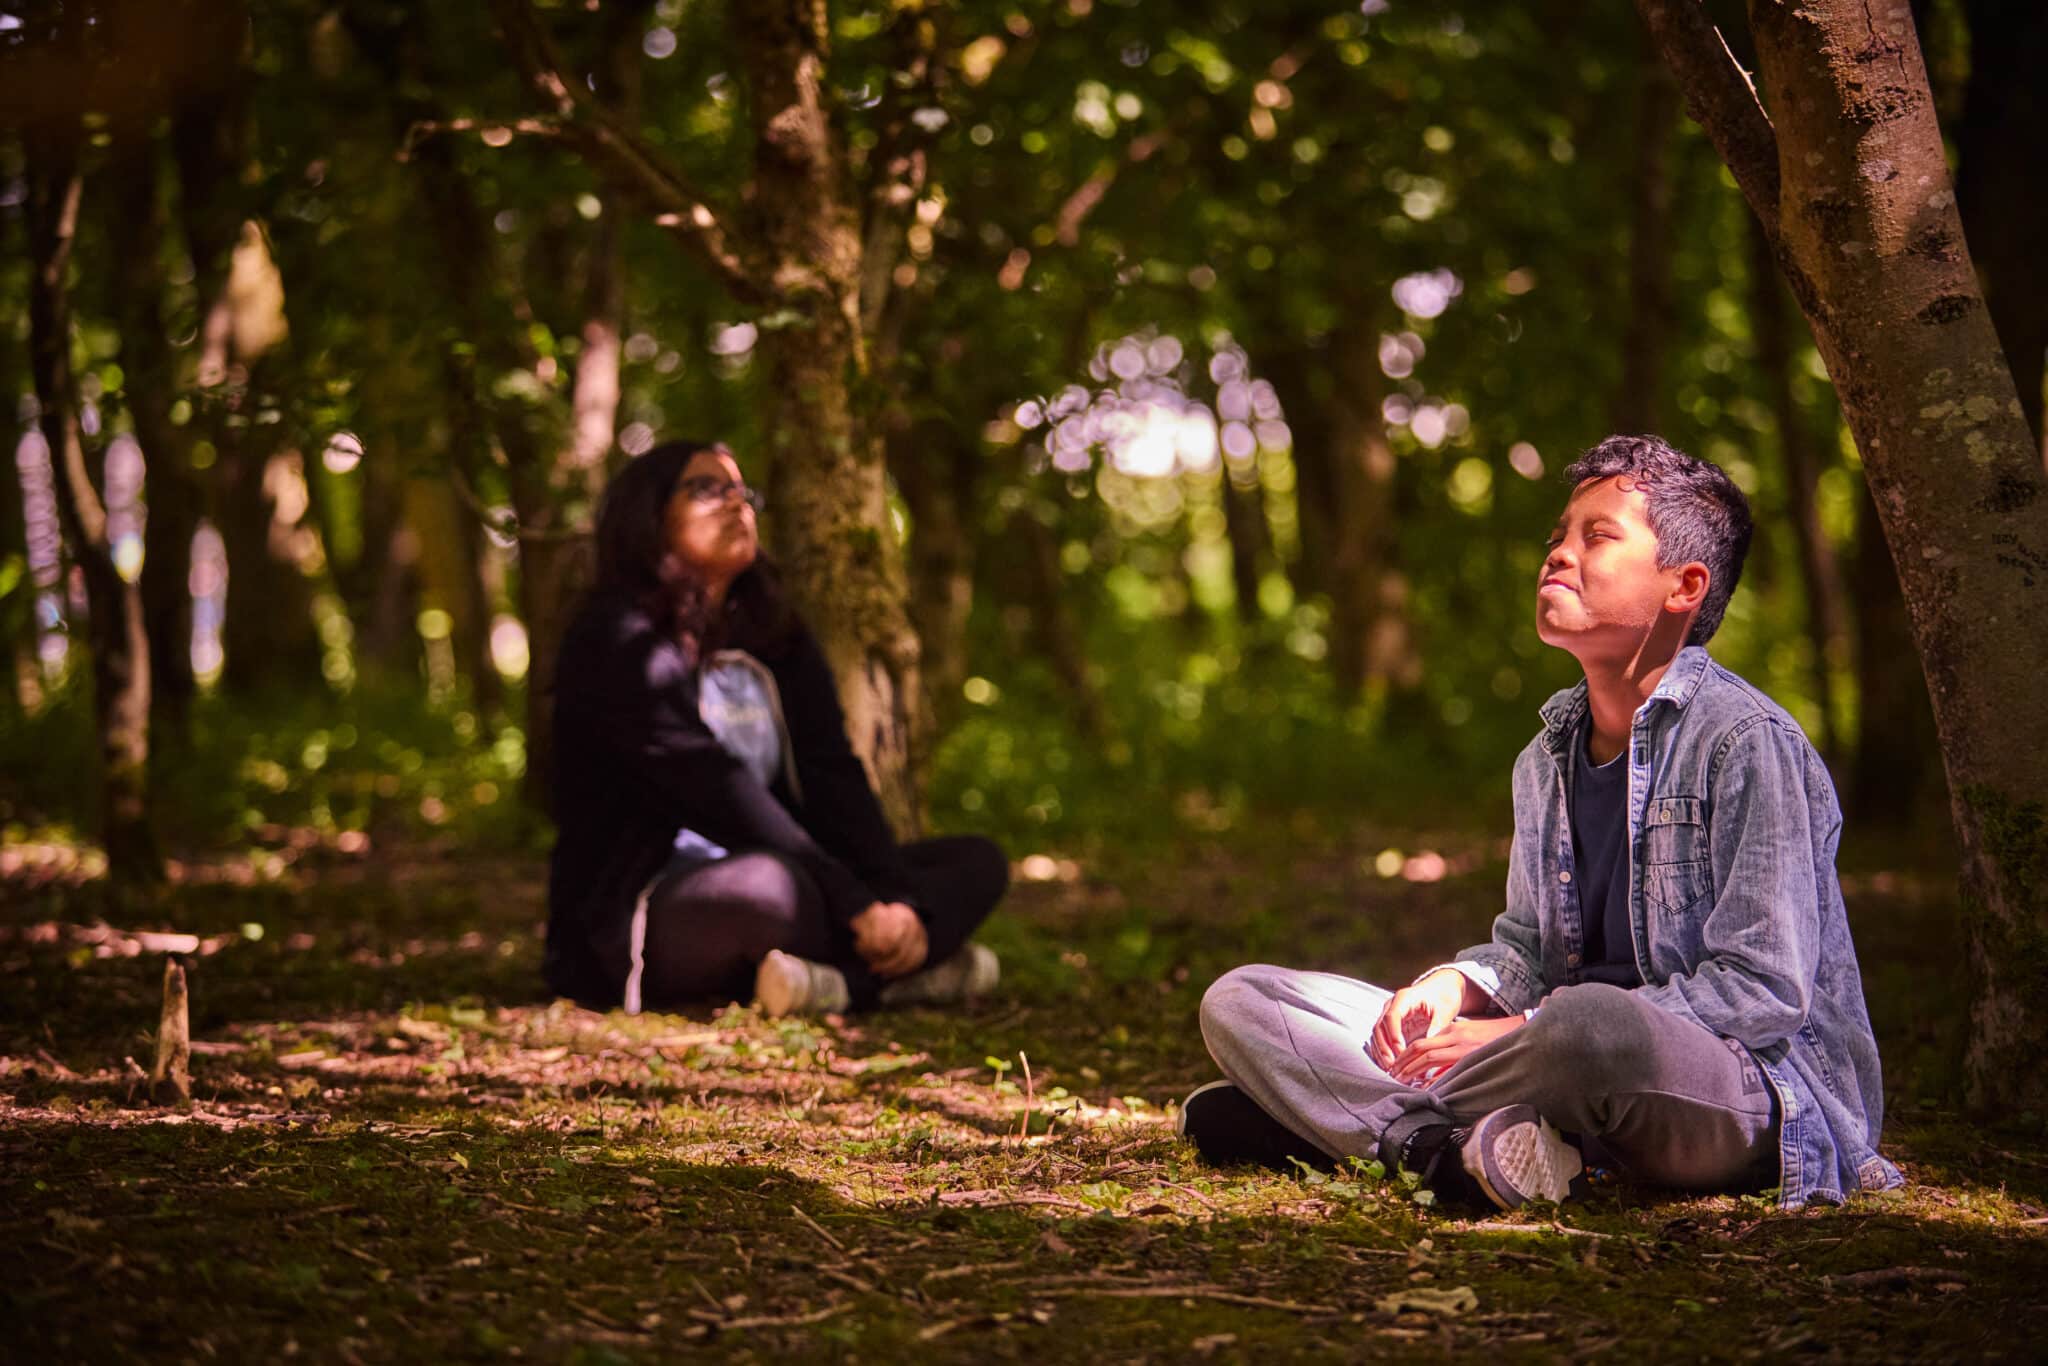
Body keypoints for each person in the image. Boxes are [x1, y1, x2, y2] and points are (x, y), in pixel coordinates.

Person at [1182, 435, 1900, 1212]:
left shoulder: (1745, 742)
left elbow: (1762, 991)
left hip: (1738, 1090)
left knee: (1588, 1029)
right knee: (1244, 998)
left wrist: (1520, 1030)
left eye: (1597, 536)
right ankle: (1451, 1151)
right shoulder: (1544, 757)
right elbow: (1527, 950)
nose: (1557, 554)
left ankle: (1362, 1127)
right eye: (1558, 535)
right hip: (1549, 1059)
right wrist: (1453, 989)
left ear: (1684, 587)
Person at [545, 440, 1009, 1018]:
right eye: (707, 488)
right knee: (767, 888)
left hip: (800, 873)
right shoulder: (617, 639)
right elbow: (717, 790)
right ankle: (898, 977)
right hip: (649, 904)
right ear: (649, 513)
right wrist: (854, 902)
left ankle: (838, 982)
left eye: (742, 491)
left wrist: (893, 899)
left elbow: (832, 772)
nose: (736, 504)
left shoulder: (773, 633)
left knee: (976, 862)